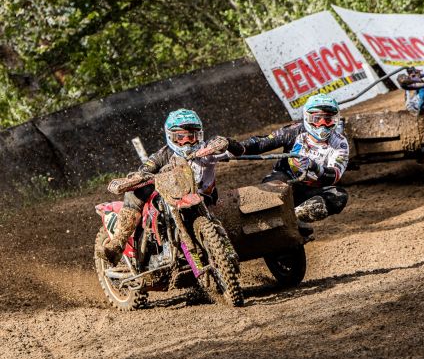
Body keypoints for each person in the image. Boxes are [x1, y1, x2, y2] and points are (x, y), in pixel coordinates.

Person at [97, 108, 242, 266]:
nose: (187, 142)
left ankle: (226, 253)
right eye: (180, 137)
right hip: (172, 197)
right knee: (136, 191)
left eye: (192, 136)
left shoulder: (206, 150)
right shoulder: (161, 155)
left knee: (216, 221)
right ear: (171, 136)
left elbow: (239, 149)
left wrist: (227, 142)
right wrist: (138, 177)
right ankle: (117, 244)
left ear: (199, 135)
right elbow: (146, 169)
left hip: (202, 200)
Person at [234, 93, 349, 229]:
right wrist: (234, 147)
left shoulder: (340, 143)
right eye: (317, 119)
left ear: (336, 120)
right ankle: (262, 216)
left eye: (328, 120)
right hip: (284, 179)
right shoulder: (294, 131)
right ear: (307, 117)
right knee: (276, 183)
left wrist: (315, 167)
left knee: (339, 195)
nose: (322, 124)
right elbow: (262, 143)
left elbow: (334, 175)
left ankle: (293, 220)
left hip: (311, 190)